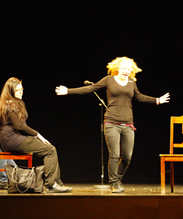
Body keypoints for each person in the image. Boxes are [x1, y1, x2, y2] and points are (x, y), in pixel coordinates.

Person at [55, 56, 170, 193]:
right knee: (114, 155)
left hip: (128, 124)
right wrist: (68, 91)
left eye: (128, 69)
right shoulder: (109, 80)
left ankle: (117, 178)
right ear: (118, 69)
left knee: (127, 157)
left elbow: (139, 97)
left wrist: (157, 100)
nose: (126, 71)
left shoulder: (132, 82)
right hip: (111, 123)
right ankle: (114, 183)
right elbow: (91, 89)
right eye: (123, 68)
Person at [0, 77, 72, 193]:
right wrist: (37, 134)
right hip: (13, 140)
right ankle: (51, 185)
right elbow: (19, 126)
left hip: (13, 139)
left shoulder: (12, 103)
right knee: (50, 150)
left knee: (49, 149)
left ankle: (55, 182)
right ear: (11, 91)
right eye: (17, 90)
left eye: (21, 89)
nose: (21, 92)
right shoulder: (11, 104)